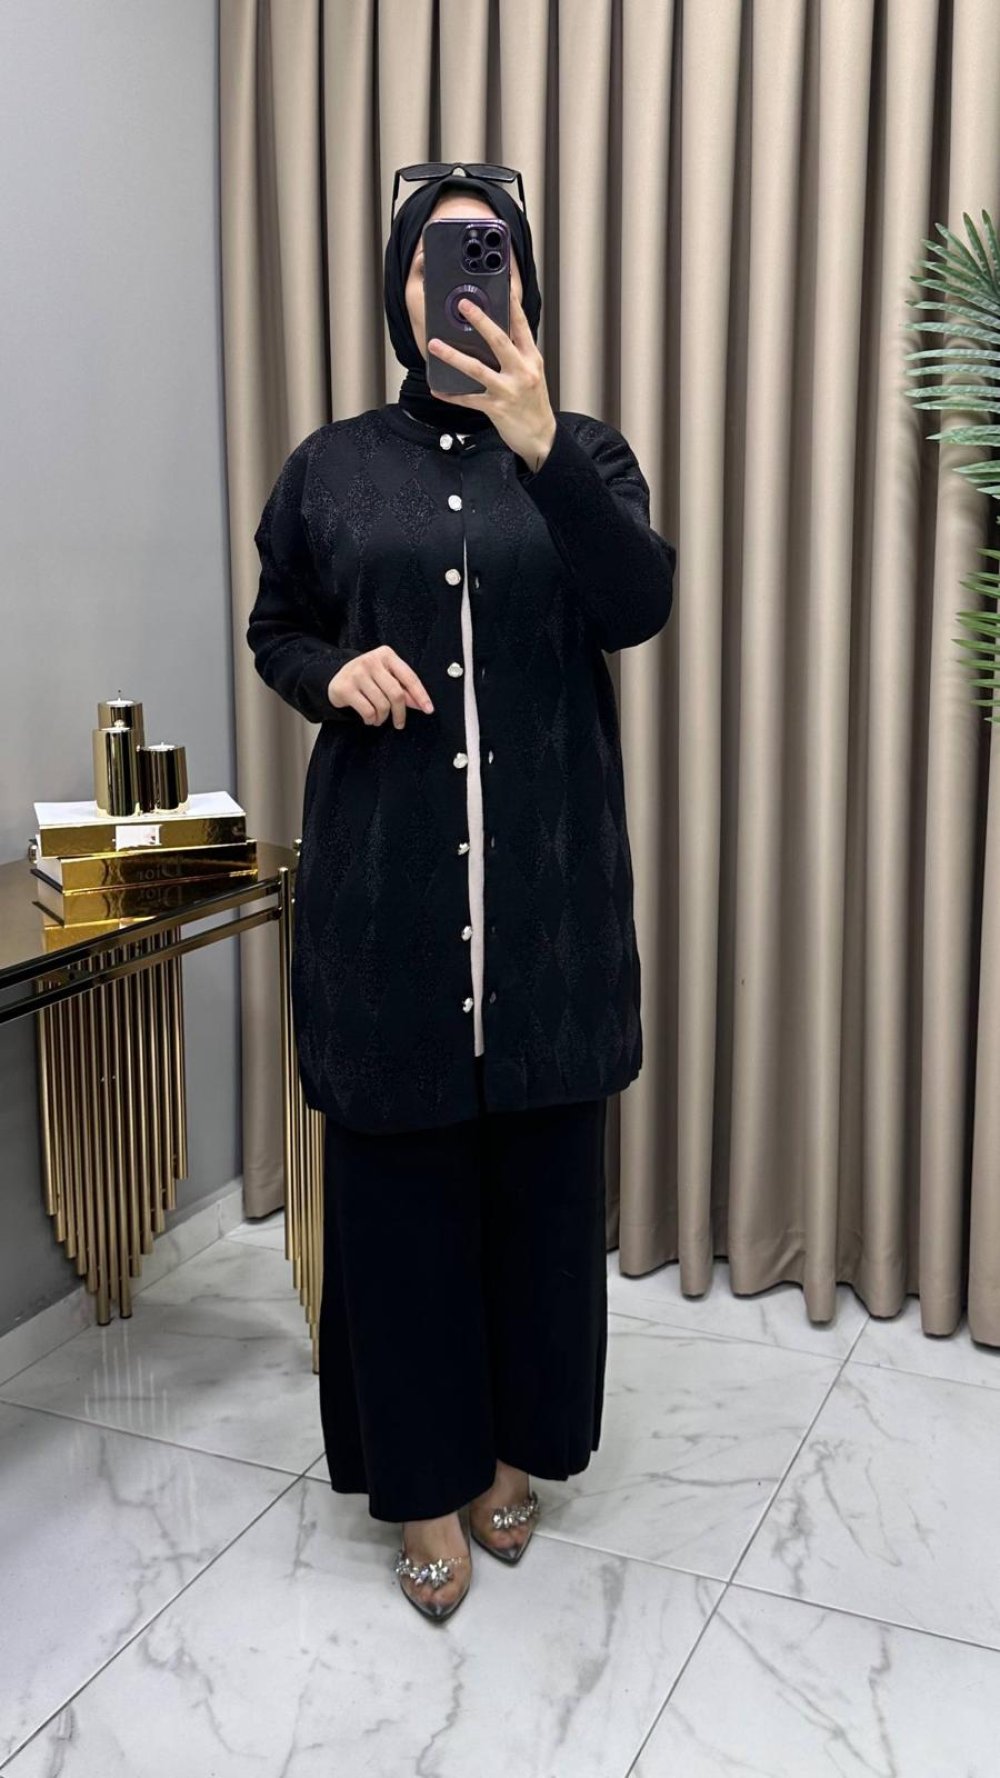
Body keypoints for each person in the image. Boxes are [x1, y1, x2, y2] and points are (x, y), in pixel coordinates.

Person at [246, 165, 677, 1622]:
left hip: (549, 909)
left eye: (487, 257)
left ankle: (509, 1452)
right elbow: (278, 625)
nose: (461, 281)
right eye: (436, 260)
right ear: (401, 289)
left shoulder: (586, 453)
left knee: (538, 1204)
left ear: (524, 285)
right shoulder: (330, 465)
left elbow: (636, 605)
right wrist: (331, 674)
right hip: (386, 904)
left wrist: (541, 442)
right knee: (402, 1208)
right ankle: (421, 1485)